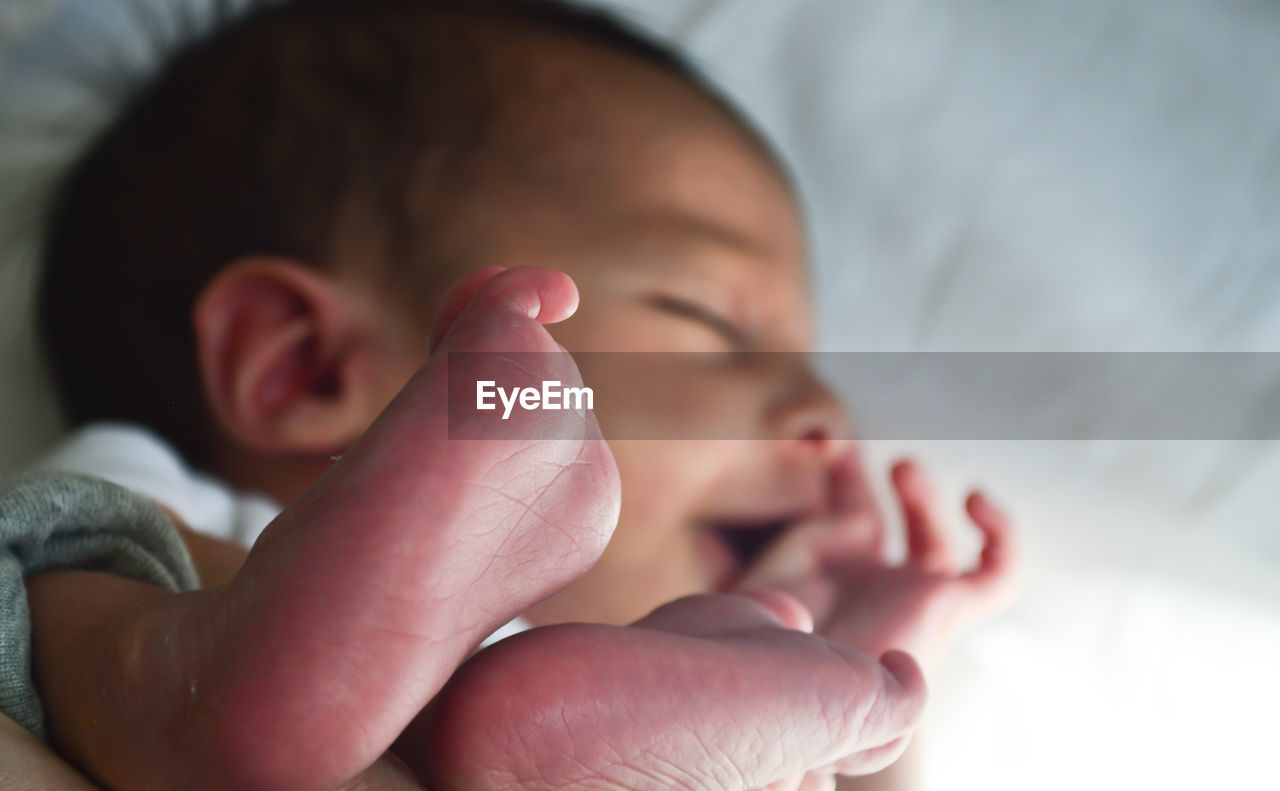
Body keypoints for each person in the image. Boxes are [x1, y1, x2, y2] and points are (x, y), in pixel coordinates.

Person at [4, 0, 1019, 788]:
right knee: (64, 584)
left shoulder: (633, 694)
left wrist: (848, 661)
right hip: (161, 644)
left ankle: (240, 695)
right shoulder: (151, 499)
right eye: (708, 321)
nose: (823, 417)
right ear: (304, 368)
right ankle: (205, 686)